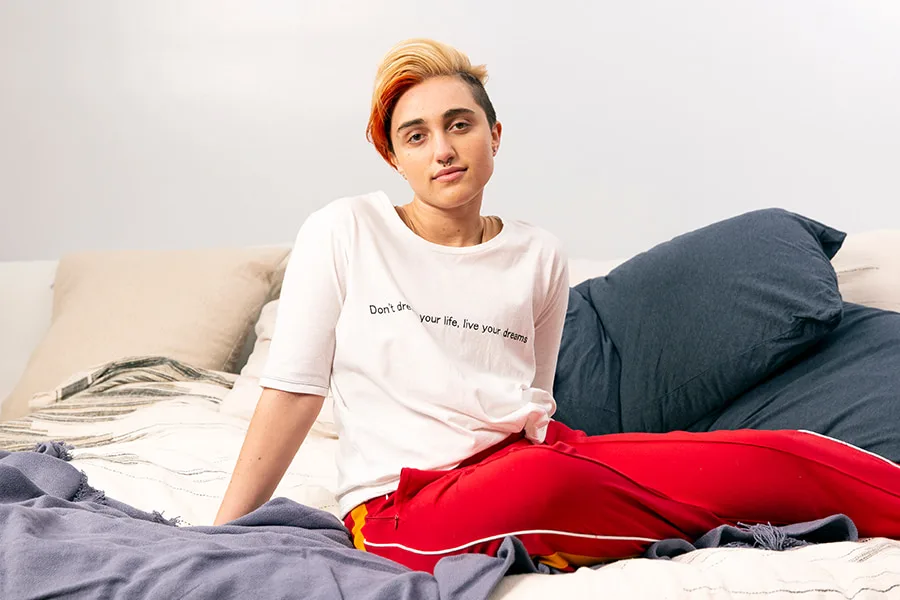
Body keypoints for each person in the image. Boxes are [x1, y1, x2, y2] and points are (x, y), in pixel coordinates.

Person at [214, 38, 900, 574]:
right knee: (548, 486)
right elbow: (294, 393)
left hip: (531, 461)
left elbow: (533, 400)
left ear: (495, 135)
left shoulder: (539, 253)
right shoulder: (343, 230)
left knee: (770, 455)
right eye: (416, 135)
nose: (443, 149)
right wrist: (220, 536)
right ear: (393, 155)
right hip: (404, 507)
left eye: (460, 124)